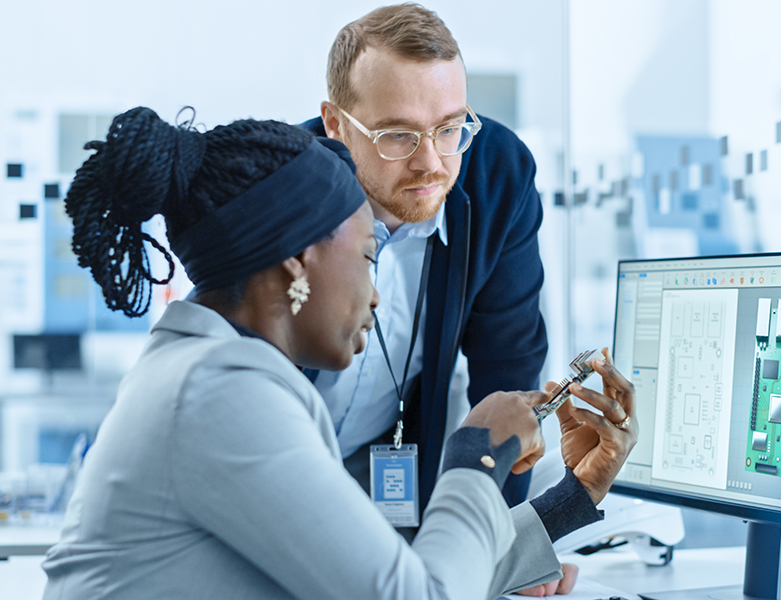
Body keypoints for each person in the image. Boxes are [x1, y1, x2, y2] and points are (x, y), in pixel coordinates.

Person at [41, 106, 638, 600]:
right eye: (367, 257)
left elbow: (399, 579)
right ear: (297, 263)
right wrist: (476, 453)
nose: (376, 295)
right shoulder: (220, 396)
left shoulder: (221, 377)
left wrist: (572, 498)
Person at [301, 3, 547, 514]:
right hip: (271, 459)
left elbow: (507, 375)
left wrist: (506, 544)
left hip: (384, 469)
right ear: (336, 125)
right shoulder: (280, 186)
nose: (431, 162)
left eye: (449, 128)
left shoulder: (498, 176)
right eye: (398, 135)